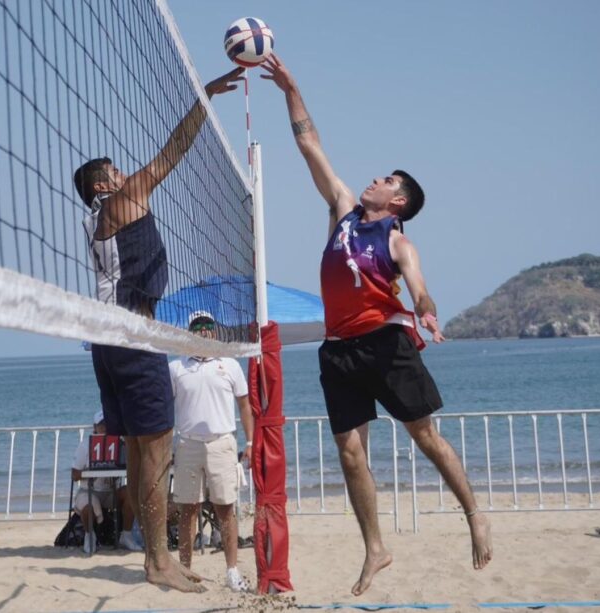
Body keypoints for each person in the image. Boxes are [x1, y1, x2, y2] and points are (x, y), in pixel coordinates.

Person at [260, 53, 493, 596]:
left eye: (385, 178)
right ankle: (376, 548)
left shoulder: (397, 241)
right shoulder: (342, 208)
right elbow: (308, 143)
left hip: (385, 343)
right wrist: (290, 88)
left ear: (399, 201)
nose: (373, 179)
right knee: (349, 451)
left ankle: (475, 512)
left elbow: (418, 287)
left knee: (424, 436)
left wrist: (429, 309)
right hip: (338, 350)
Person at [73, 66, 244, 593]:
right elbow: (173, 151)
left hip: (110, 339)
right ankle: (157, 562)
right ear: (105, 184)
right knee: (156, 451)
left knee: (146, 453)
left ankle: (158, 558)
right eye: (117, 171)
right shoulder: (122, 202)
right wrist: (205, 98)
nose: (127, 173)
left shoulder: (100, 220)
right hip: (132, 335)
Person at [169, 311, 254, 592]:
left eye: (208, 326)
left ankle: (232, 571)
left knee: (225, 509)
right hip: (187, 443)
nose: (203, 331)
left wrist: (251, 444)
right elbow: (165, 409)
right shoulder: (176, 367)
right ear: (189, 332)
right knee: (187, 511)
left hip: (221, 442)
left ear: (215, 331)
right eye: (197, 326)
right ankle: (185, 570)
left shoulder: (229, 364)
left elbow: (244, 406)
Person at [71, 411, 142, 554]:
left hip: (110, 492)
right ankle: (89, 536)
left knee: (131, 492)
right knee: (87, 504)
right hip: (89, 490)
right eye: (101, 425)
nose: (105, 428)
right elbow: (74, 474)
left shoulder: (119, 443)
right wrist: (92, 473)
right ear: (94, 427)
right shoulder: (85, 445)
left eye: (107, 425)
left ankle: (126, 535)